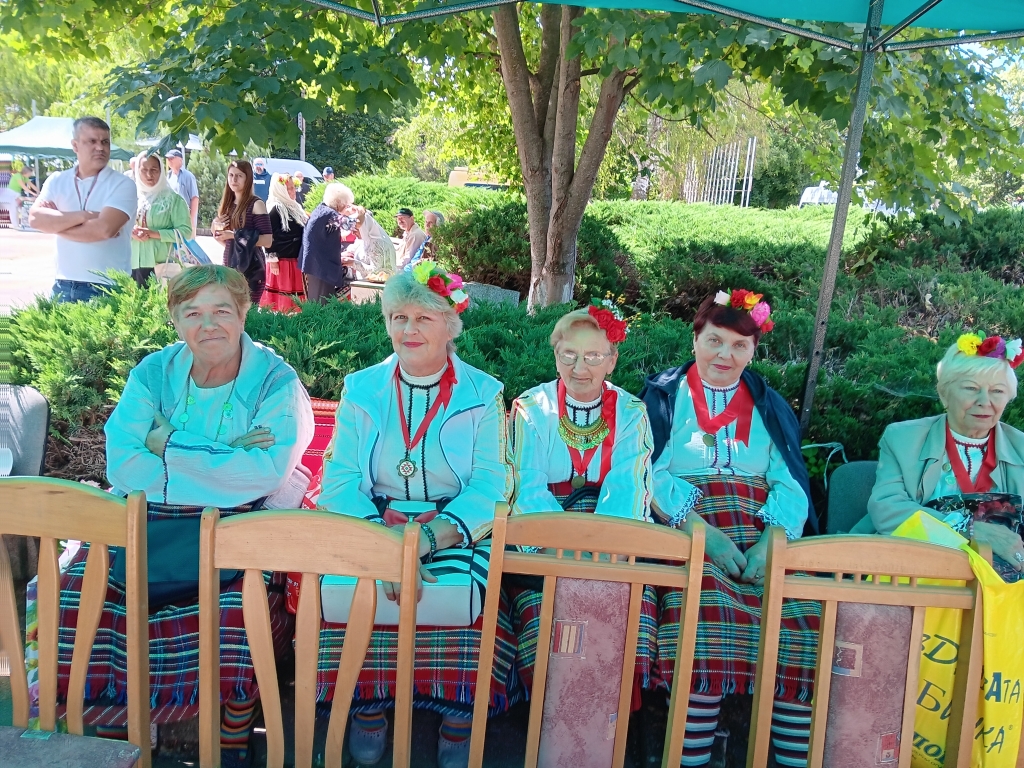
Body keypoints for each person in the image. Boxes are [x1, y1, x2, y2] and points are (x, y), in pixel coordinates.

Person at [53, 266, 313, 766]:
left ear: (243, 314)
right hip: (149, 518)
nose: (208, 325)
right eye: (192, 313)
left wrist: (170, 443)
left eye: (221, 311)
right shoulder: (152, 372)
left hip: (238, 523)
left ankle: (232, 731)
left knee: (236, 609)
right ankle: (117, 725)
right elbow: (122, 462)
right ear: (175, 320)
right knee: (77, 591)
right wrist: (225, 453)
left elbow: (265, 473)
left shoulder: (276, 381)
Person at [316, 263, 514, 768]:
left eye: (424, 317)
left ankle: (458, 712)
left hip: (452, 527)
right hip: (372, 521)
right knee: (355, 594)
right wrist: (382, 543)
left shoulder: (484, 393)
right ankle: (367, 703)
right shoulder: (361, 388)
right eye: (398, 317)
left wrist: (428, 540)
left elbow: (491, 485)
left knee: (461, 601)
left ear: (451, 324)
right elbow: (339, 478)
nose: (409, 329)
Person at [639, 289, 819, 768]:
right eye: (715, 341)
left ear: (754, 350)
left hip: (762, 530)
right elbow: (648, 472)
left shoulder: (768, 404)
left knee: (802, 629)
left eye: (740, 346)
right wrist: (704, 536)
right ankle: (692, 759)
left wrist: (771, 543)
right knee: (702, 625)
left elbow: (789, 478)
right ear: (695, 339)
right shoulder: (664, 396)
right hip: (690, 529)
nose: (725, 355)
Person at [507, 300, 659, 698]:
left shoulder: (631, 412)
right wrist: (565, 555)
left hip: (611, 545)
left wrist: (600, 559)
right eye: (568, 355)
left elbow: (629, 488)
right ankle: (551, 718)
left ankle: (608, 723)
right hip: (546, 542)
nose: (579, 368)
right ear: (555, 356)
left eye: (593, 356)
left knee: (623, 631)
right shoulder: (531, 408)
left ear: (612, 360)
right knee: (550, 636)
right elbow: (526, 486)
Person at [868, 333, 1024, 582]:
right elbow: (887, 509)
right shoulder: (903, 438)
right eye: (971, 388)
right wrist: (967, 528)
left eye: (997, 391)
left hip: (1002, 581)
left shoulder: (1021, 447)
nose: (984, 401)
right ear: (944, 394)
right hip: (916, 570)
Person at [28, 116, 138, 302]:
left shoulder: (123, 184)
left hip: (107, 286)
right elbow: (35, 219)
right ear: (75, 145)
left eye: (105, 142)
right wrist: (86, 216)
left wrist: (55, 225)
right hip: (63, 284)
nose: (100, 147)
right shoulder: (57, 180)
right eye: (92, 141)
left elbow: (104, 229)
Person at [211, 160, 272, 304]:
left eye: (239, 176)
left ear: (248, 178)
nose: (234, 179)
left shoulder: (256, 204)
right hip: (229, 265)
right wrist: (215, 226)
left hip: (252, 269)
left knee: (247, 312)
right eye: (231, 175)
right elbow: (225, 242)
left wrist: (234, 235)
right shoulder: (227, 204)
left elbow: (268, 240)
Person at [130, 151, 192, 287]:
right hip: (132, 263)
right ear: (137, 171)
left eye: (154, 170)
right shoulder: (130, 197)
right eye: (144, 170)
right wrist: (131, 232)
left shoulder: (173, 200)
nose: (149, 175)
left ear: (161, 171)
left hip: (162, 265)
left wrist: (153, 233)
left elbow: (186, 232)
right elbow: (118, 227)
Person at [260, 172, 308, 312]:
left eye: (293, 188)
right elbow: (268, 234)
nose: (293, 191)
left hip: (295, 258)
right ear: (280, 190)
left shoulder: (294, 207)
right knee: (283, 302)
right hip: (282, 262)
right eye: (289, 188)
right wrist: (272, 260)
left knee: (296, 300)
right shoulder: (276, 208)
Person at [299, 182, 354, 304]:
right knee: (322, 303)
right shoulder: (330, 214)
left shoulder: (320, 210)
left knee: (316, 301)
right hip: (320, 266)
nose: (346, 207)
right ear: (338, 202)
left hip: (313, 264)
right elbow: (351, 225)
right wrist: (360, 212)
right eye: (346, 204)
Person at [342, 204, 397, 279]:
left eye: (356, 230)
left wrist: (353, 263)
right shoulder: (365, 241)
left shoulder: (377, 243)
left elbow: (376, 272)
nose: (353, 233)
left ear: (364, 227)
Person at [166, 148, 200, 238]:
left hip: (186, 220)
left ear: (180, 160)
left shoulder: (188, 176)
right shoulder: (168, 176)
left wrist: (191, 220)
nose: (169, 160)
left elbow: (195, 198)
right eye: (168, 158)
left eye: (172, 158)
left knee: (187, 245)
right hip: (171, 220)